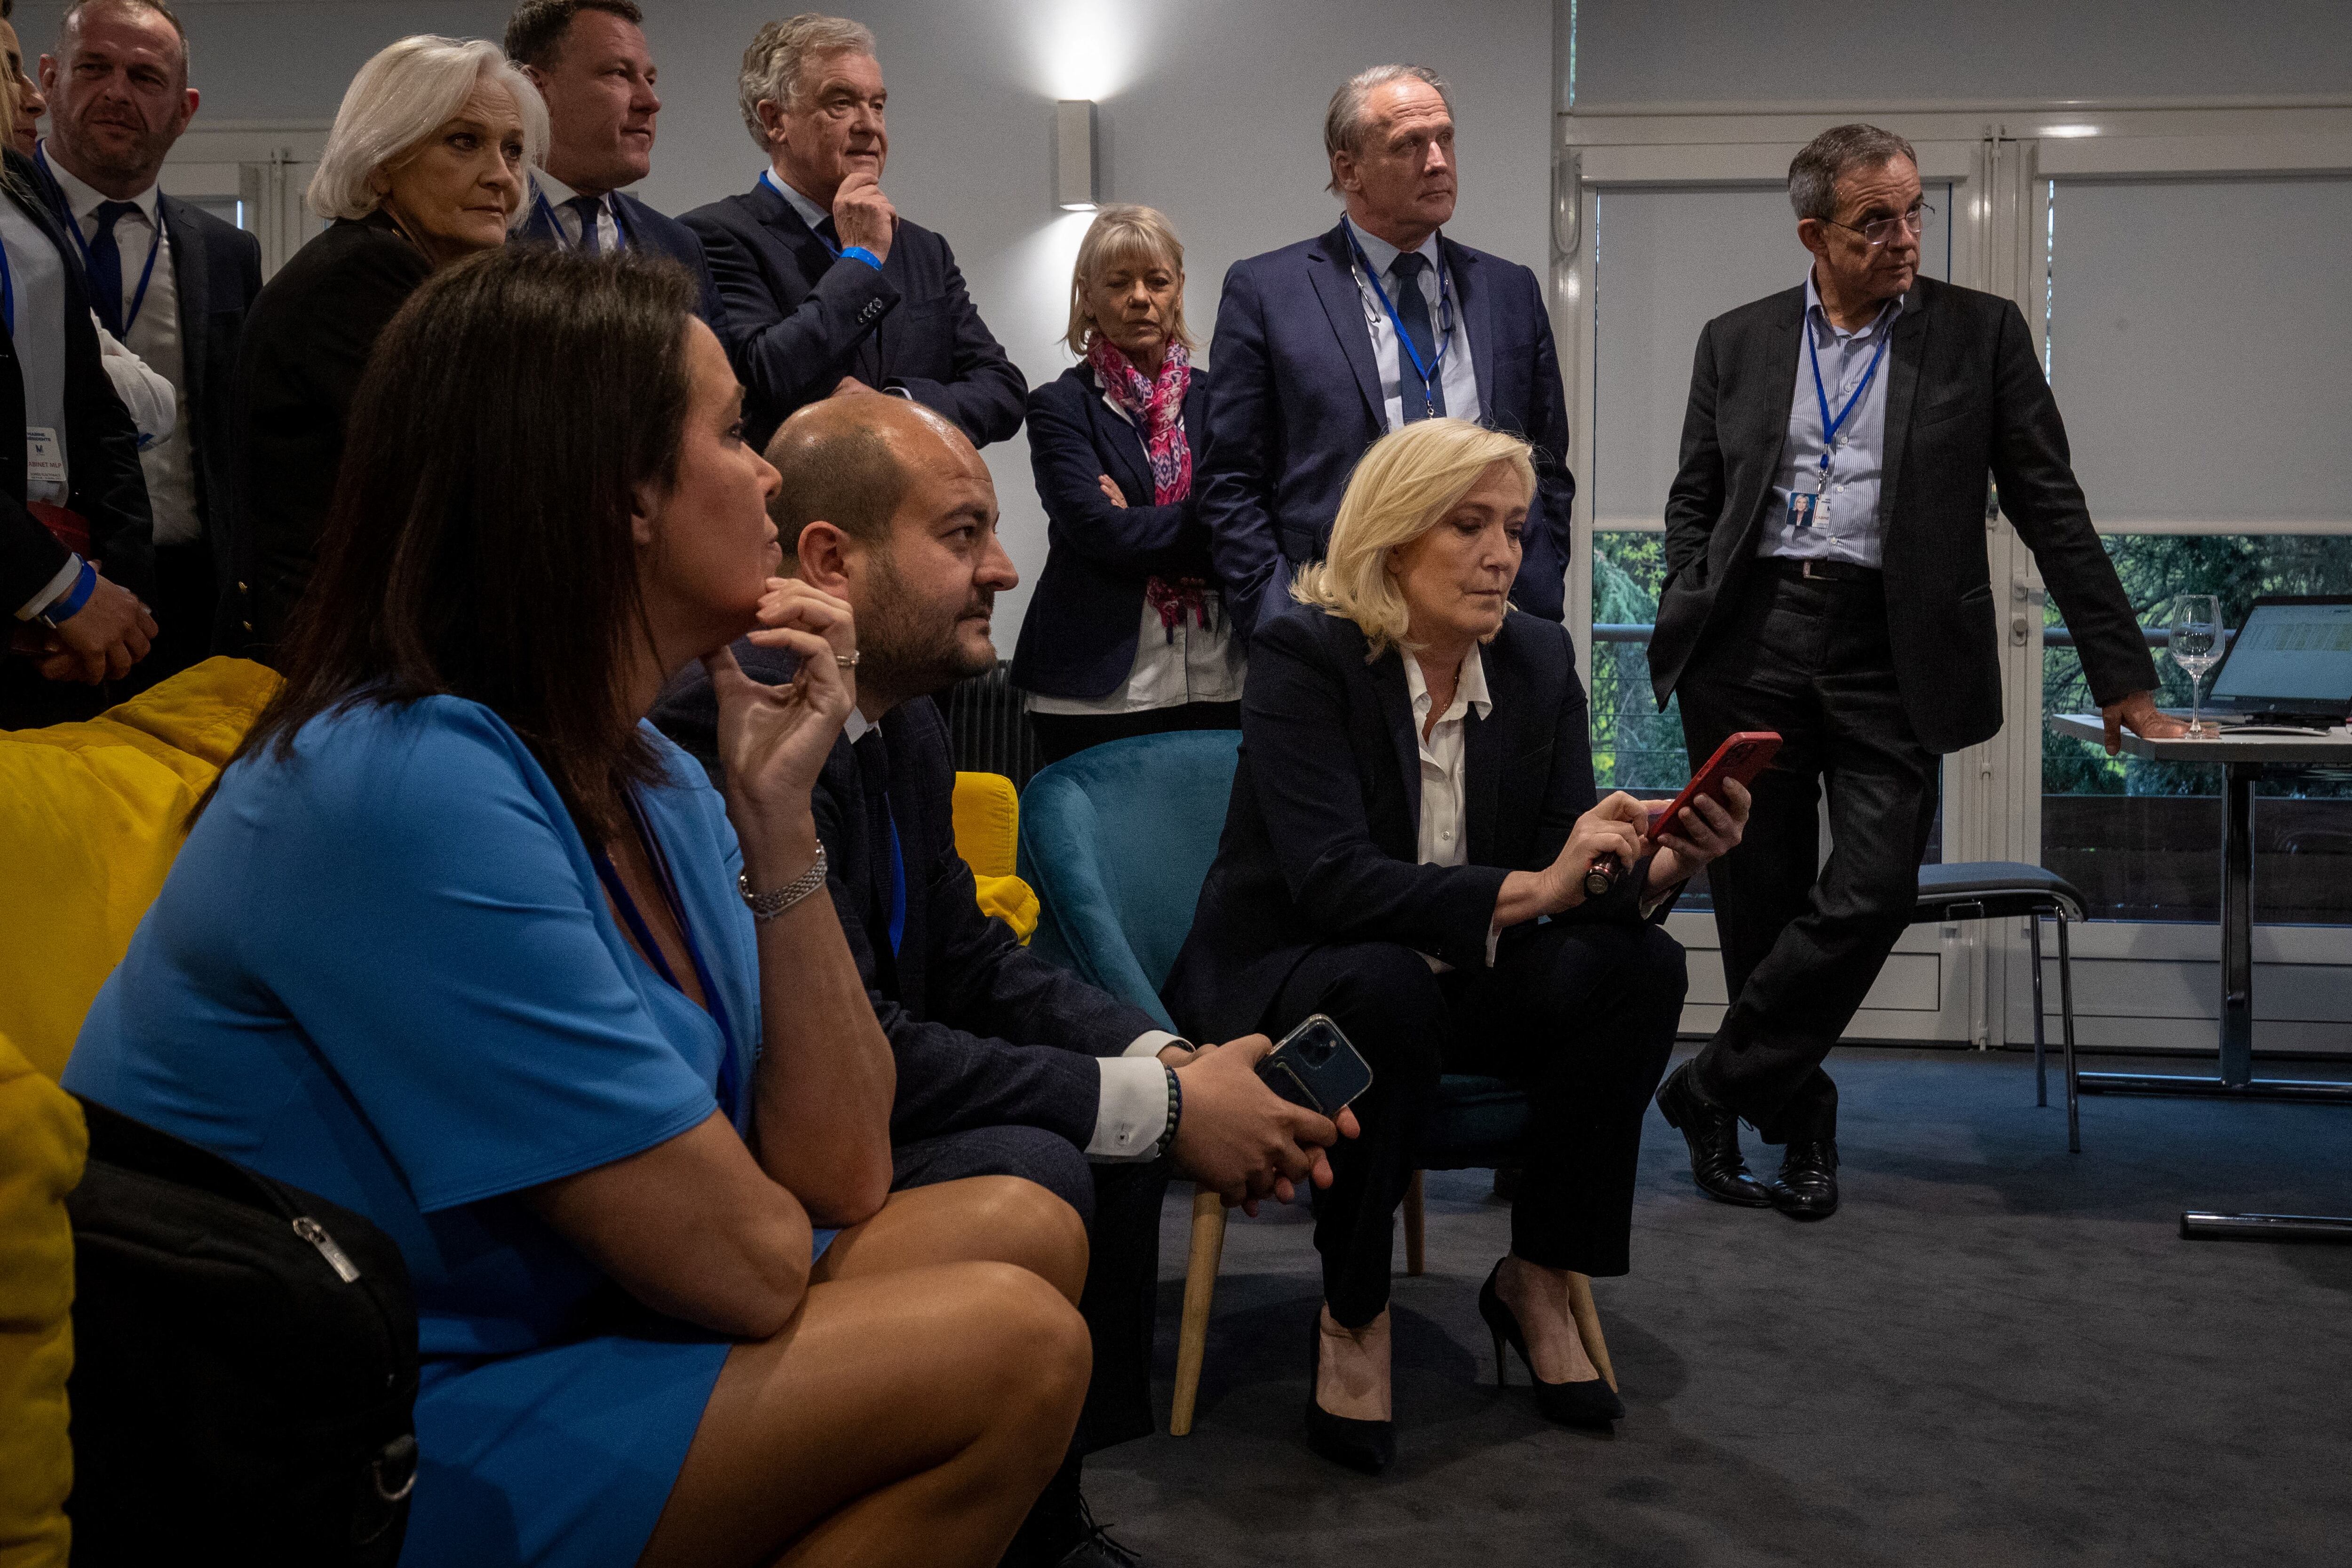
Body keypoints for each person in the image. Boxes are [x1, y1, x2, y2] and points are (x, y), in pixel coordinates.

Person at [64, 247, 1094, 1568]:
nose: (773, 471)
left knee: (1023, 1216)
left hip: (549, 1323)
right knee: (1008, 1349)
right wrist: (755, 1216)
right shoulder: (400, 775)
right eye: (730, 433)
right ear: (621, 499)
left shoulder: (657, 770)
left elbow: (841, 1171)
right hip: (353, 1427)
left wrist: (779, 819)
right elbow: (749, 1261)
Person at [654, 393, 1352, 1568]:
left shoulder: (904, 714)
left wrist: (1163, 1061)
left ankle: (1040, 1509)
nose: (1006, 566)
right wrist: (1178, 1110)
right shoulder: (738, 724)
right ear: (834, 557)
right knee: (1055, 1145)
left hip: (856, 1108)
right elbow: (847, 1038)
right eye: (964, 532)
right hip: (748, 1153)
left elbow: (971, 962)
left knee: (1101, 1123)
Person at [1164, 418, 1747, 1472]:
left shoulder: (1536, 657)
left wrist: (1662, 867)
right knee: (1385, 987)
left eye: (1515, 529)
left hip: (1460, 978)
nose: (1502, 554)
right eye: (1469, 525)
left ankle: (1537, 1272)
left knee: (1639, 967)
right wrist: (1541, 884)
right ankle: (1351, 1307)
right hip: (1293, 982)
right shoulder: (1305, 652)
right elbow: (1330, 879)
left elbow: (1571, 874)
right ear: (1392, 541)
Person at [1648, 123, 2182, 1222]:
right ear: (1814, 234)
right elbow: (1695, 495)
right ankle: (1798, 1129)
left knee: (1872, 889)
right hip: (1749, 645)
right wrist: (1684, 596)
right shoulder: (1736, 341)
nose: (1904, 238)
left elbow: (2050, 504)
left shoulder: (1976, 335)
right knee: (1759, 901)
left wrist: (2119, 670)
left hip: (1890, 653)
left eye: (1912, 212)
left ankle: (1712, 1085)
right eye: (1874, 221)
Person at [1198, 63, 1574, 642]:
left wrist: (1538, 574)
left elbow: (1545, 464)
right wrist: (1275, 615)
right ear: (1348, 169)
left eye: (1445, 138)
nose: (1438, 161)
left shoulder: (1509, 290)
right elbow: (1230, 480)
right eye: (1409, 145)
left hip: (1498, 616)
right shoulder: (1267, 291)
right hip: (1334, 619)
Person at [228, 34, 540, 657]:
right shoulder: (360, 276)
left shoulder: (411, 275)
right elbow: (478, 477)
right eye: (463, 142)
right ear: (380, 162)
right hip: (332, 671)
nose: (501, 177)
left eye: (513, 151)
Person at [30, 0, 261, 687]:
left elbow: (235, 436)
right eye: (93, 68)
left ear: (184, 109)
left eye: (144, 77)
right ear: (48, 79)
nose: (116, 92)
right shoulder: (10, 228)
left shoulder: (227, 252)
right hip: (41, 592)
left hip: (192, 597)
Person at [684, 14, 1024, 452]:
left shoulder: (924, 249)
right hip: (792, 512)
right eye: (841, 103)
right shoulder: (714, 236)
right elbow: (765, 377)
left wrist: (895, 406)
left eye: (877, 105)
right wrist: (861, 258)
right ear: (775, 121)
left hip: (923, 514)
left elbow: (1003, 390)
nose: (870, 125)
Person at [1011, 204, 1241, 764]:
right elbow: (1099, 533)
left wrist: (1139, 517)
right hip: (1095, 688)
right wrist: (1208, 514)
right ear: (1087, 296)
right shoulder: (1060, 407)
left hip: (1226, 676)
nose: (1140, 297)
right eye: (1118, 282)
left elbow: (1252, 522)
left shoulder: (1227, 401)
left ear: (1178, 291)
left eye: (1156, 281)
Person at [0, 69, 154, 727]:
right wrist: (59, 586)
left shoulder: (21, 189)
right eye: (6, 68)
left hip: (59, 613)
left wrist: (115, 586)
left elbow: (95, 406)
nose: (33, 95)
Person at [503, 0, 727, 331]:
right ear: (536, 88)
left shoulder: (679, 245)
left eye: (650, 80)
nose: (651, 102)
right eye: (619, 74)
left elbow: (718, 382)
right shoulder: (484, 230)